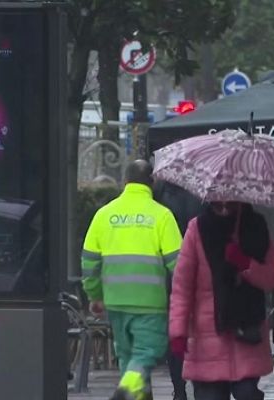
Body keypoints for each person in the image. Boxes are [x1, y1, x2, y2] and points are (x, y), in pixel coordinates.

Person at [81, 160, 183, 400]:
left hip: (115, 303)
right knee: (147, 353)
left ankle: (132, 388)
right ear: (152, 183)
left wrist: (95, 295)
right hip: (150, 304)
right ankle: (126, 390)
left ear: (124, 182)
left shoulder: (104, 215)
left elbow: (89, 261)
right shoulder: (162, 216)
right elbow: (180, 265)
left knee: (128, 357)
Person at [169, 201, 274, 400]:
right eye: (218, 204)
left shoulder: (255, 226)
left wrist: (246, 264)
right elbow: (182, 286)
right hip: (207, 340)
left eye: (229, 203)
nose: (223, 208)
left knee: (246, 393)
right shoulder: (198, 229)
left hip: (247, 334)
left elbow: (272, 277)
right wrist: (178, 331)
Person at [153, 181, 206, 400]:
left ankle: (179, 388)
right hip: (199, 268)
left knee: (176, 331)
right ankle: (201, 384)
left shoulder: (161, 193)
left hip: (169, 270)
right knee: (201, 331)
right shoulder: (202, 193)